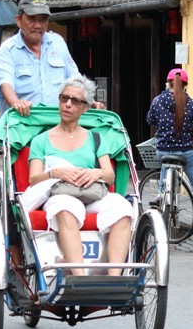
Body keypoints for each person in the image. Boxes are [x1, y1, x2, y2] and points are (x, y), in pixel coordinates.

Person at [28, 75, 133, 276]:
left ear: (85, 107)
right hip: (61, 193)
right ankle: (80, 277)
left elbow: (109, 176)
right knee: (65, 208)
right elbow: (33, 179)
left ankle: (114, 277)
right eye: (64, 98)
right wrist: (54, 172)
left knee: (123, 208)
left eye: (75, 101)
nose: (67, 104)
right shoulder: (41, 140)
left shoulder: (96, 138)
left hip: (91, 194)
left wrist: (96, 173)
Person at [0, 0, 104, 116]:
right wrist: (17, 103)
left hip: (56, 124)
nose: (38, 25)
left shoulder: (58, 43)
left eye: (43, 19)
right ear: (18, 20)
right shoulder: (8, 49)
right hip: (23, 123)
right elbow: (5, 83)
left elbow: (76, 80)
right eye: (31, 19)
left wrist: (90, 102)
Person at [146, 68, 193, 226]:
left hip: (163, 150)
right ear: (185, 85)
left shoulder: (158, 101)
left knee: (165, 166)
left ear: (168, 83)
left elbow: (150, 120)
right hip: (185, 151)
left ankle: (161, 193)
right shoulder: (192, 104)